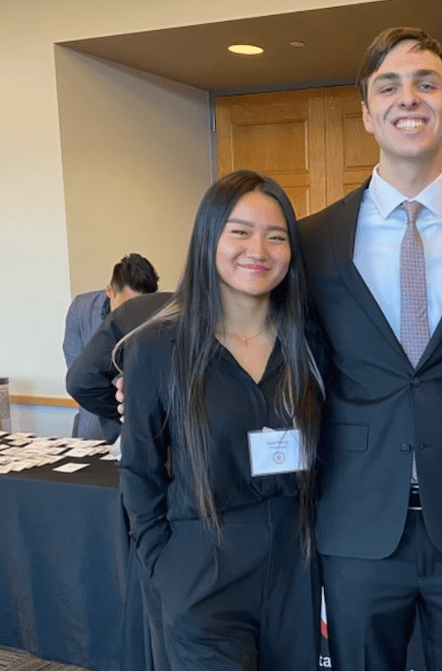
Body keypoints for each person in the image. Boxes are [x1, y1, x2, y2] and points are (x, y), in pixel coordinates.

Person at [297, 28, 442, 671]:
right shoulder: (315, 239)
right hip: (357, 519)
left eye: (427, 83)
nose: (410, 98)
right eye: (389, 86)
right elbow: (289, 359)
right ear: (367, 114)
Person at [118, 170, 324, 670]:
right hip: (202, 566)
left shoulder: (311, 344)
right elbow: (139, 473)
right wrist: (166, 569)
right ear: (208, 237)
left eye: (276, 237)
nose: (259, 249)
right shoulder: (156, 349)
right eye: (240, 232)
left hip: (297, 568)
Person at [63, 253, 159, 439]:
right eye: (126, 307)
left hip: (141, 428)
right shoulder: (81, 310)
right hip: (92, 424)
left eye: (140, 307)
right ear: (110, 291)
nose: (133, 315)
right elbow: (79, 373)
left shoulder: (160, 314)